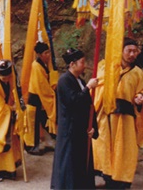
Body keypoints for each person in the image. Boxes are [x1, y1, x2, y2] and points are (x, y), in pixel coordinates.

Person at [94, 38, 143, 189]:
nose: (132, 54)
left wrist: (142, 97)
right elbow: (97, 85)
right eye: (129, 51)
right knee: (105, 147)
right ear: (121, 51)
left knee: (124, 150)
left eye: (135, 51)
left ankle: (121, 180)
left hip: (127, 118)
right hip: (107, 115)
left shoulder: (137, 73)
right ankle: (107, 176)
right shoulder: (107, 68)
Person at [50, 48, 98, 189]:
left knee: (82, 162)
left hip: (81, 128)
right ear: (72, 64)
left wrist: (92, 126)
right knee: (68, 163)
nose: (84, 65)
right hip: (70, 129)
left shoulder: (80, 81)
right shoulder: (64, 81)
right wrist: (88, 87)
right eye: (82, 62)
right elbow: (74, 102)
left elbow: (89, 105)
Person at [24, 41, 57, 154]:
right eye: (45, 53)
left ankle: (51, 141)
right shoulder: (36, 65)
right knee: (33, 124)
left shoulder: (44, 64)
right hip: (36, 98)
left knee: (46, 121)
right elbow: (42, 86)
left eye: (48, 52)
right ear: (39, 54)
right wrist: (53, 95)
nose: (48, 55)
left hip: (41, 99)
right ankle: (31, 147)